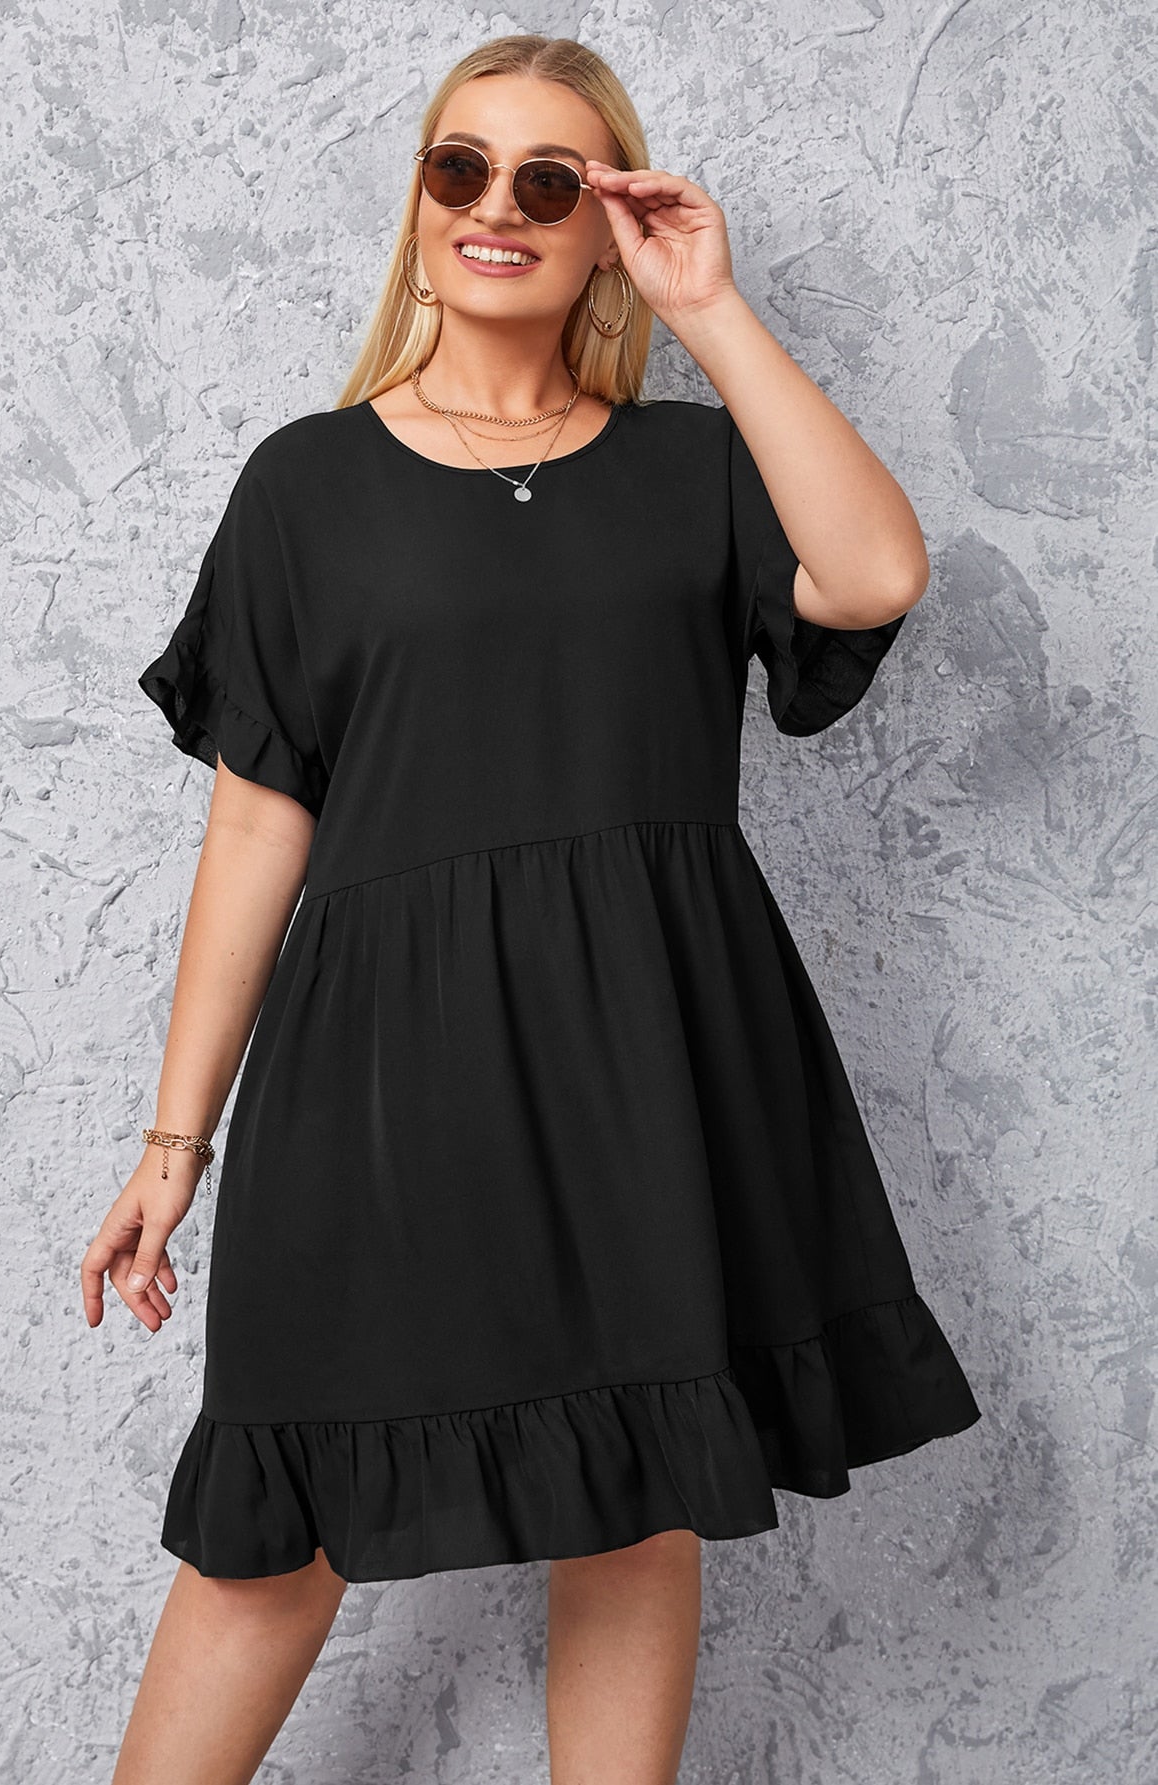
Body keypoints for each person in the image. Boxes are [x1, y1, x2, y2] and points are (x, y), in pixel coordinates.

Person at [83, 32, 981, 1785]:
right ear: (420, 205)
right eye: (462, 167)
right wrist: (174, 1140)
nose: (498, 205)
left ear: (603, 222)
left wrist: (708, 307)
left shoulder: (692, 468)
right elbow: (257, 822)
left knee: (638, 1495)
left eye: (549, 180)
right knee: (282, 1514)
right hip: (381, 1072)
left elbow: (876, 570)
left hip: (645, 1055)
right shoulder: (305, 486)